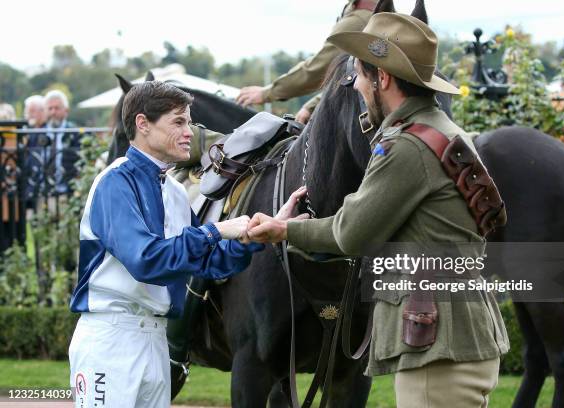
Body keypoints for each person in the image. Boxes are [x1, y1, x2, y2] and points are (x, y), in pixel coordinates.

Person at [247, 13, 509, 408]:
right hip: (463, 338)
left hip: (436, 347)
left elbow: (350, 233)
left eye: (359, 77)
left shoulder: (405, 146)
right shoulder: (443, 130)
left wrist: (284, 231)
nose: (356, 86)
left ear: (382, 79)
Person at [68, 81, 263, 408]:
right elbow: (147, 261)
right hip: (111, 339)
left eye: (188, 121)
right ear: (143, 124)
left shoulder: (173, 191)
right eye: (178, 121)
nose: (191, 131)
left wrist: (253, 237)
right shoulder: (115, 181)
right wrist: (216, 230)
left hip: (156, 341)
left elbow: (209, 262)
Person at [236, 0, 376, 123]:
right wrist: (312, 105)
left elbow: (319, 68)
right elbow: (350, 77)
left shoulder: (360, 17)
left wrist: (267, 93)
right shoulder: (371, 11)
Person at [44, 90, 80, 193]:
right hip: (42, 193)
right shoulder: (37, 134)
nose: (53, 112)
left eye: (57, 108)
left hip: (68, 192)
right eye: (50, 108)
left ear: (66, 111)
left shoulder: (75, 133)